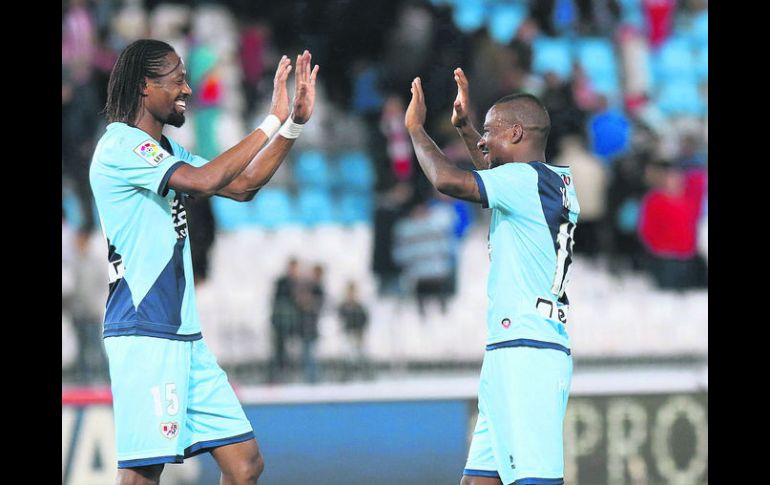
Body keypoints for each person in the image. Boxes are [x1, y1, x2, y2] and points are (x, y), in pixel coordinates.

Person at [89, 39, 318, 484]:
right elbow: (207, 179)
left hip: (185, 338)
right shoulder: (119, 146)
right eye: (177, 80)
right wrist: (270, 118)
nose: (188, 90)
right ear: (144, 87)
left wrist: (292, 125)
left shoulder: (167, 153)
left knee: (245, 464)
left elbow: (243, 186)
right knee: (140, 476)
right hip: (144, 333)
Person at [404, 68, 579, 485]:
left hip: (527, 350)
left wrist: (414, 129)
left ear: (517, 133)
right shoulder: (549, 182)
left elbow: (448, 179)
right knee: (478, 481)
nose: (482, 141)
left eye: (489, 132)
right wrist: (465, 126)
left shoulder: (522, 182)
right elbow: (492, 169)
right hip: (514, 346)